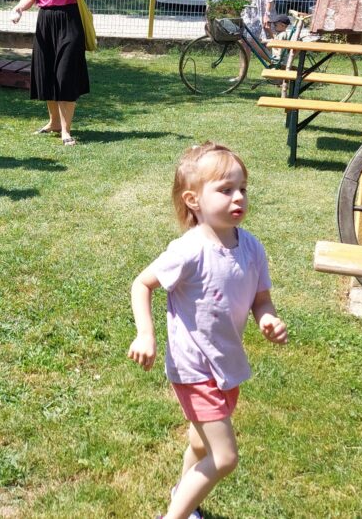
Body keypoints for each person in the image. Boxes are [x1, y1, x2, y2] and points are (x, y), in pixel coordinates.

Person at [127, 142, 287, 519]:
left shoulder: (252, 248)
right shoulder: (189, 250)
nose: (239, 197)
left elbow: (261, 299)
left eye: (242, 188)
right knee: (224, 456)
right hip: (195, 368)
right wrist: (145, 334)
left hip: (226, 364)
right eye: (225, 189)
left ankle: (184, 497)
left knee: (200, 445)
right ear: (193, 200)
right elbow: (142, 284)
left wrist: (267, 318)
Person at [9, 0, 97, 147]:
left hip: (70, 19)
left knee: (65, 73)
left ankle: (66, 130)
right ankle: (54, 123)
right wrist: (18, 9)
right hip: (45, 21)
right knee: (47, 73)